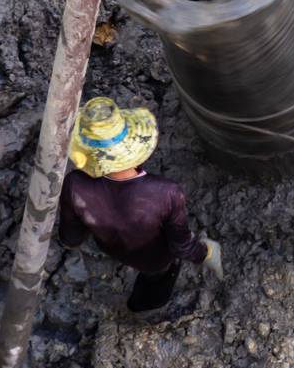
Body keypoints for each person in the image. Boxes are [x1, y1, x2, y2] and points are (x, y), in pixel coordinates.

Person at [58, 96, 222, 315]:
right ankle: (142, 309)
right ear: (133, 146)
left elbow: (71, 238)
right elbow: (180, 247)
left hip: (110, 247)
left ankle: (138, 304)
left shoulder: (74, 184)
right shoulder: (166, 193)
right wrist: (207, 253)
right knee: (158, 282)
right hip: (154, 260)